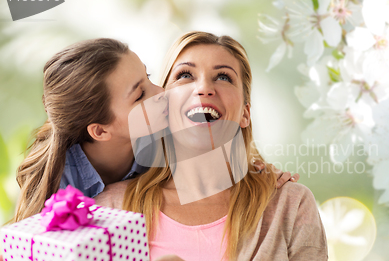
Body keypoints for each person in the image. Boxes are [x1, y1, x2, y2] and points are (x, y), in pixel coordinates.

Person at [96, 31, 328, 261]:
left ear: (244, 114)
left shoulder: (291, 206)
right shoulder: (110, 208)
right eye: (185, 75)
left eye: (223, 77)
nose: (204, 88)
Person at [13, 38, 298, 223]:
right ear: (100, 131)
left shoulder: (162, 136)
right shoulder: (59, 182)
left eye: (148, 77)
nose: (161, 91)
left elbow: (215, 142)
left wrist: (257, 170)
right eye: (139, 95)